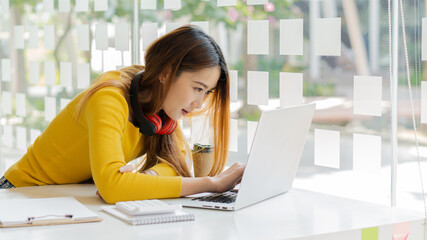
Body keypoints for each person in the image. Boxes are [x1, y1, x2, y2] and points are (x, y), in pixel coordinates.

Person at [0, 25, 245, 203]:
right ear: (166, 72)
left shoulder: (163, 108)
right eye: (197, 88)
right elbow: (113, 189)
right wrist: (212, 184)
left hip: (68, 198)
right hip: (21, 194)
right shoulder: (109, 98)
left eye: (207, 93)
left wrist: (148, 176)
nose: (199, 103)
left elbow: (175, 163)